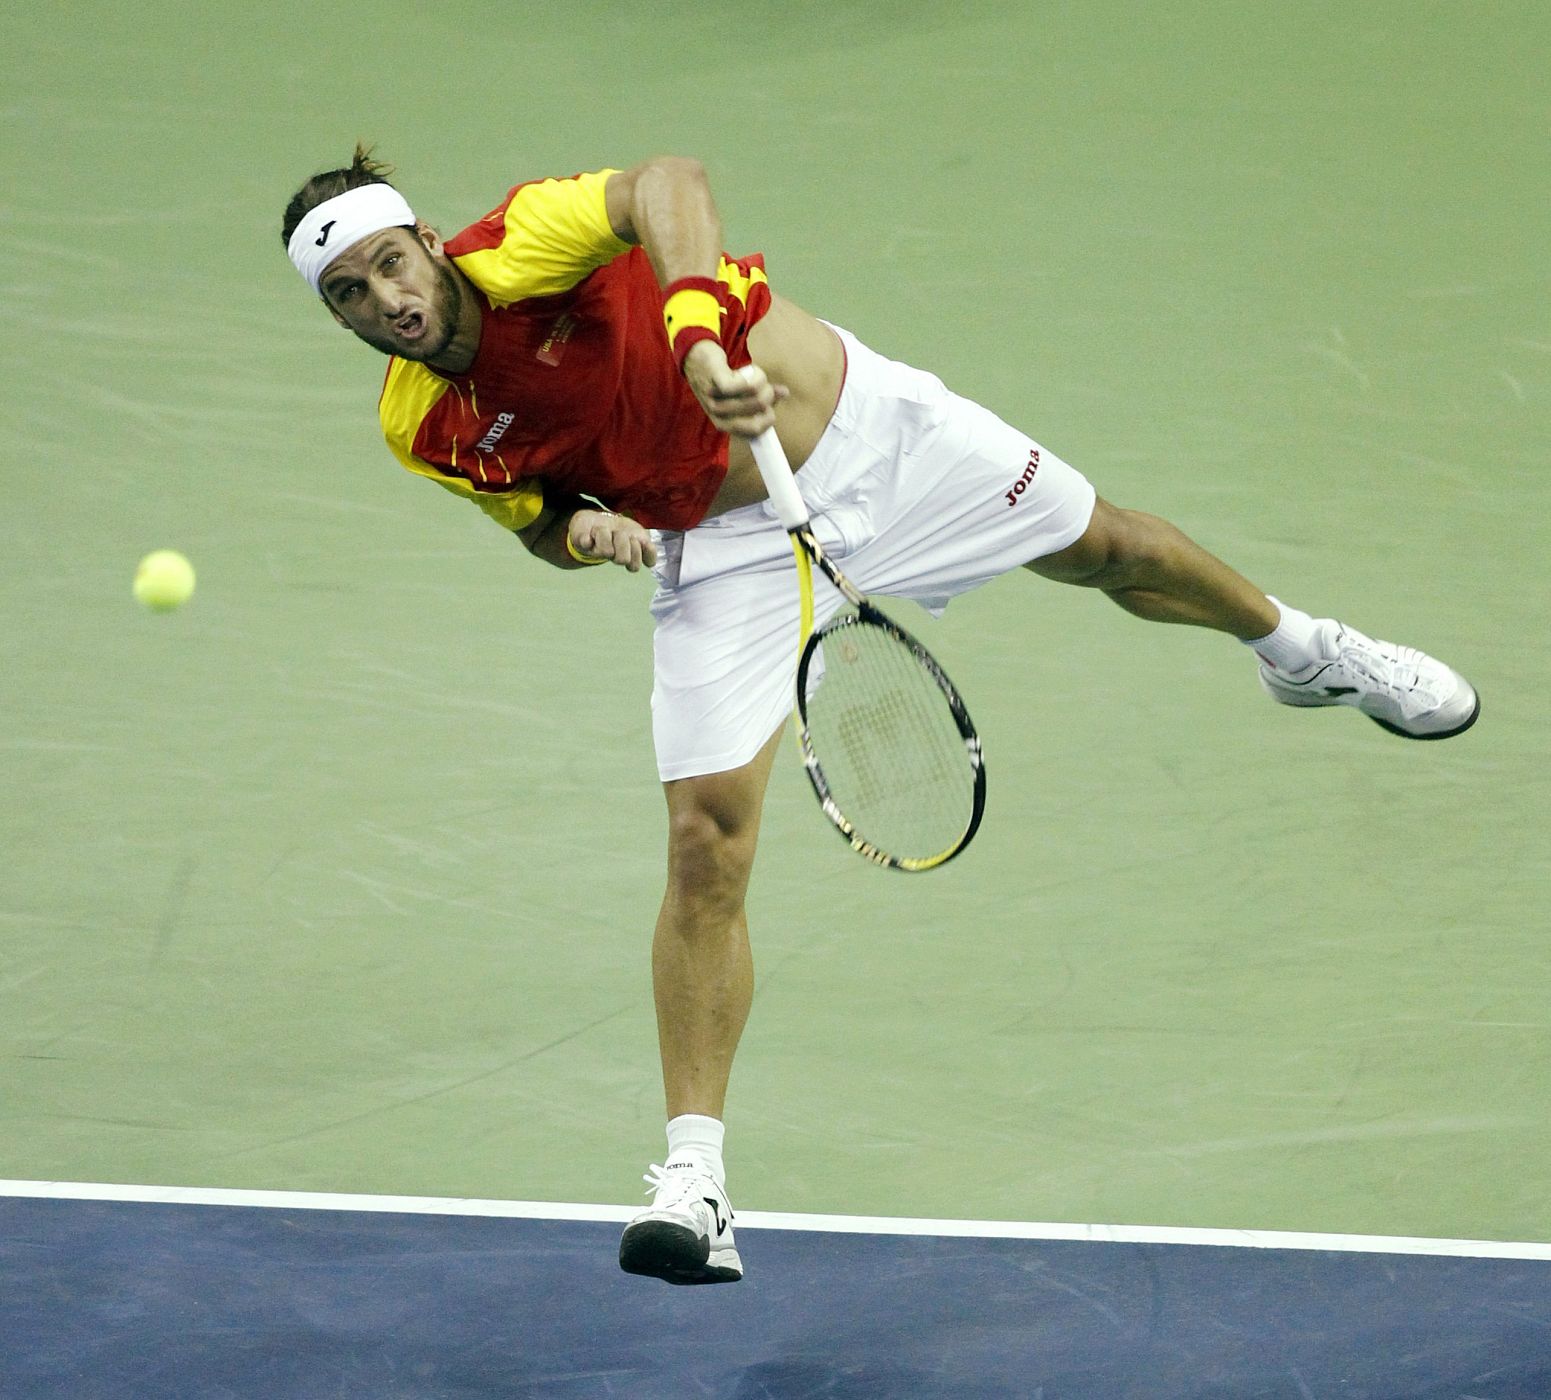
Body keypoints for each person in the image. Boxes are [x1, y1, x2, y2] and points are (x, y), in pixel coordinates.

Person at [281, 147, 1479, 1285]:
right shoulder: (418, 426)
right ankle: (695, 1179)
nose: (386, 300)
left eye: (390, 263)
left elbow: (666, 183)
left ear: (427, 242)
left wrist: (694, 334)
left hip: (873, 440)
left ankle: (1303, 651)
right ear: (335, 317)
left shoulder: (521, 244)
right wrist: (581, 531)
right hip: (726, 551)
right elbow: (538, 520)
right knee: (704, 840)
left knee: (1110, 547)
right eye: (349, 293)